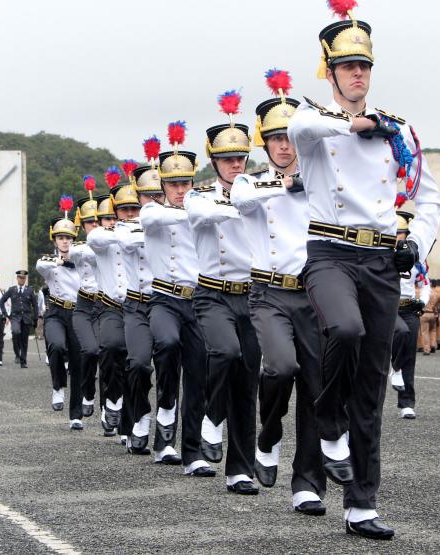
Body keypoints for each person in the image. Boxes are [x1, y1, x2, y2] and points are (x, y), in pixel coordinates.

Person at [287, 2, 440, 538]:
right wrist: (363, 123)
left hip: (380, 259)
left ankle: (361, 504)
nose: (359, 74)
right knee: (345, 329)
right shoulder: (314, 121)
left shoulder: (399, 131)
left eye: (365, 66)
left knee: (373, 385)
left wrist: (415, 243)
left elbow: (431, 199)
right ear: (329, 71)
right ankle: (327, 420)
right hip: (329, 253)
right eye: (348, 66)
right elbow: (301, 121)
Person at [231, 69, 326, 513]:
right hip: (268, 293)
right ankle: (268, 433)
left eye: (290, 137)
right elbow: (240, 201)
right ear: (264, 143)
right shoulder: (251, 181)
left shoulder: (321, 179)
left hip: (312, 294)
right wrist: (287, 184)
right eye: (275, 138)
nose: (284, 145)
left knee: (314, 385)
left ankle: (307, 483)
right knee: (281, 367)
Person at [185, 91, 262, 495]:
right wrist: (247, 202)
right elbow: (203, 214)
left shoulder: (260, 191)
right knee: (225, 353)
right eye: (229, 159)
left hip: (251, 295)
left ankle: (240, 470)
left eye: (241, 157)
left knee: (248, 383)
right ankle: (211, 416)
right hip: (212, 294)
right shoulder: (200, 197)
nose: (237, 164)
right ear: (214, 161)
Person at [140, 125, 212, 474]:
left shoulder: (205, 207)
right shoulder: (153, 212)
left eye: (186, 183)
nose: (181, 190)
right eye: (174, 184)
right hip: (164, 299)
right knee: (167, 345)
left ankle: (192, 451)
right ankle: (165, 409)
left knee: (199, 374)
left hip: (198, 301)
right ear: (163, 187)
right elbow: (155, 216)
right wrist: (199, 210)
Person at [116, 155, 165, 455]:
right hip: (137, 304)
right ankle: (140, 413)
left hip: (168, 302)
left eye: (159, 195)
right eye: (148, 196)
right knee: (138, 364)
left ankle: (165, 436)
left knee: (171, 365)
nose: (153, 201)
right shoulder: (126, 228)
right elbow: (130, 243)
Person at [36, 196, 85, 430]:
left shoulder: (83, 260)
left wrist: (73, 260)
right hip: (56, 311)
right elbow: (40, 267)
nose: (65, 241)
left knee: (78, 363)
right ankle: (57, 385)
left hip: (78, 314)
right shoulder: (49, 261)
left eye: (68, 238)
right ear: (54, 240)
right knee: (56, 346)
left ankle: (75, 415)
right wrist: (59, 262)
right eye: (61, 238)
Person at [87, 187, 130, 442]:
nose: (112, 222)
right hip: (108, 306)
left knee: (134, 365)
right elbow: (94, 241)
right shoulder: (100, 239)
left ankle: (129, 423)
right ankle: (112, 401)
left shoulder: (134, 231)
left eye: (115, 218)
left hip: (135, 306)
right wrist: (122, 232)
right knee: (111, 352)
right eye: (107, 219)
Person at [389, 203, 432, 419]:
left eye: (401, 233)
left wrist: (422, 302)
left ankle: (407, 402)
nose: (398, 237)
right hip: (387, 308)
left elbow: (425, 284)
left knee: (409, 356)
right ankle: (394, 369)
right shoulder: (382, 254)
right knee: (400, 333)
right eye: (394, 232)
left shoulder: (416, 257)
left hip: (409, 308)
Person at [69, 191, 102, 418]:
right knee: (90, 351)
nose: (95, 225)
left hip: (107, 305)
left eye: (99, 220)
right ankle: (88, 391)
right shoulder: (79, 248)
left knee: (111, 356)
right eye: (90, 222)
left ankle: (111, 405)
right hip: (84, 305)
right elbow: (80, 252)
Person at [0, 270, 38, 368]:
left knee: (24, 340)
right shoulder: (12, 289)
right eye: (20, 278)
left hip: (26, 318)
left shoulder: (30, 290)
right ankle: (17, 354)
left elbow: (35, 305)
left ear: (25, 279)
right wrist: (6, 314)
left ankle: (23, 361)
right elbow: (1, 301)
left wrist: (36, 318)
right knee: (16, 333)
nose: (22, 280)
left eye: (23, 278)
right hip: (15, 317)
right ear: (17, 278)